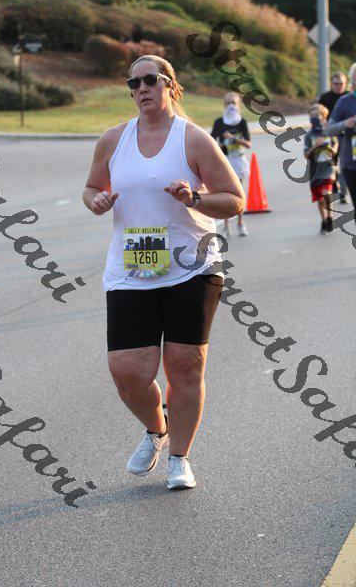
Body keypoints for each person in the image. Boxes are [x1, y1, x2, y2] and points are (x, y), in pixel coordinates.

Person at [82, 55, 245, 490]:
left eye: (150, 80)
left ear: (170, 85)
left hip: (192, 268)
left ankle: (179, 458)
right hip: (132, 269)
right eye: (133, 83)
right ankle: (157, 430)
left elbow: (234, 199)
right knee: (127, 371)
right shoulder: (113, 140)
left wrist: (194, 199)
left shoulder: (193, 139)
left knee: (185, 366)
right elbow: (92, 186)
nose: (141, 89)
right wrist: (96, 200)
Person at [211, 92, 251, 237]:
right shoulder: (219, 122)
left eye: (233, 103)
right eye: (228, 104)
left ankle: (240, 223)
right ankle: (226, 225)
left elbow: (248, 144)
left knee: (239, 193)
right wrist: (221, 144)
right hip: (225, 161)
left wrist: (234, 138)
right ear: (224, 105)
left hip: (238, 159)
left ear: (238, 105)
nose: (231, 107)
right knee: (226, 194)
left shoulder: (242, 122)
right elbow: (211, 142)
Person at [324, 63, 356, 220]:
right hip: (352, 164)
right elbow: (328, 130)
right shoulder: (345, 101)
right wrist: (345, 124)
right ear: (353, 79)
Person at [304, 104, 337, 233]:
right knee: (319, 198)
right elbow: (306, 155)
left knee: (326, 192)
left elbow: (335, 145)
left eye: (317, 115)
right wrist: (315, 146)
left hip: (328, 168)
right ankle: (323, 220)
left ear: (323, 117)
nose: (314, 117)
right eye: (311, 115)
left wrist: (331, 150)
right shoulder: (309, 136)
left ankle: (330, 216)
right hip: (315, 170)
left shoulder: (329, 131)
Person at [319, 72, 350, 204]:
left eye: (341, 83)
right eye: (336, 83)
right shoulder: (325, 97)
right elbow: (318, 114)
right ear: (332, 84)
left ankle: (343, 192)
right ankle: (335, 186)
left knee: (345, 165)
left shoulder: (349, 97)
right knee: (332, 164)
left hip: (346, 136)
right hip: (330, 136)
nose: (339, 86)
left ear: (346, 84)